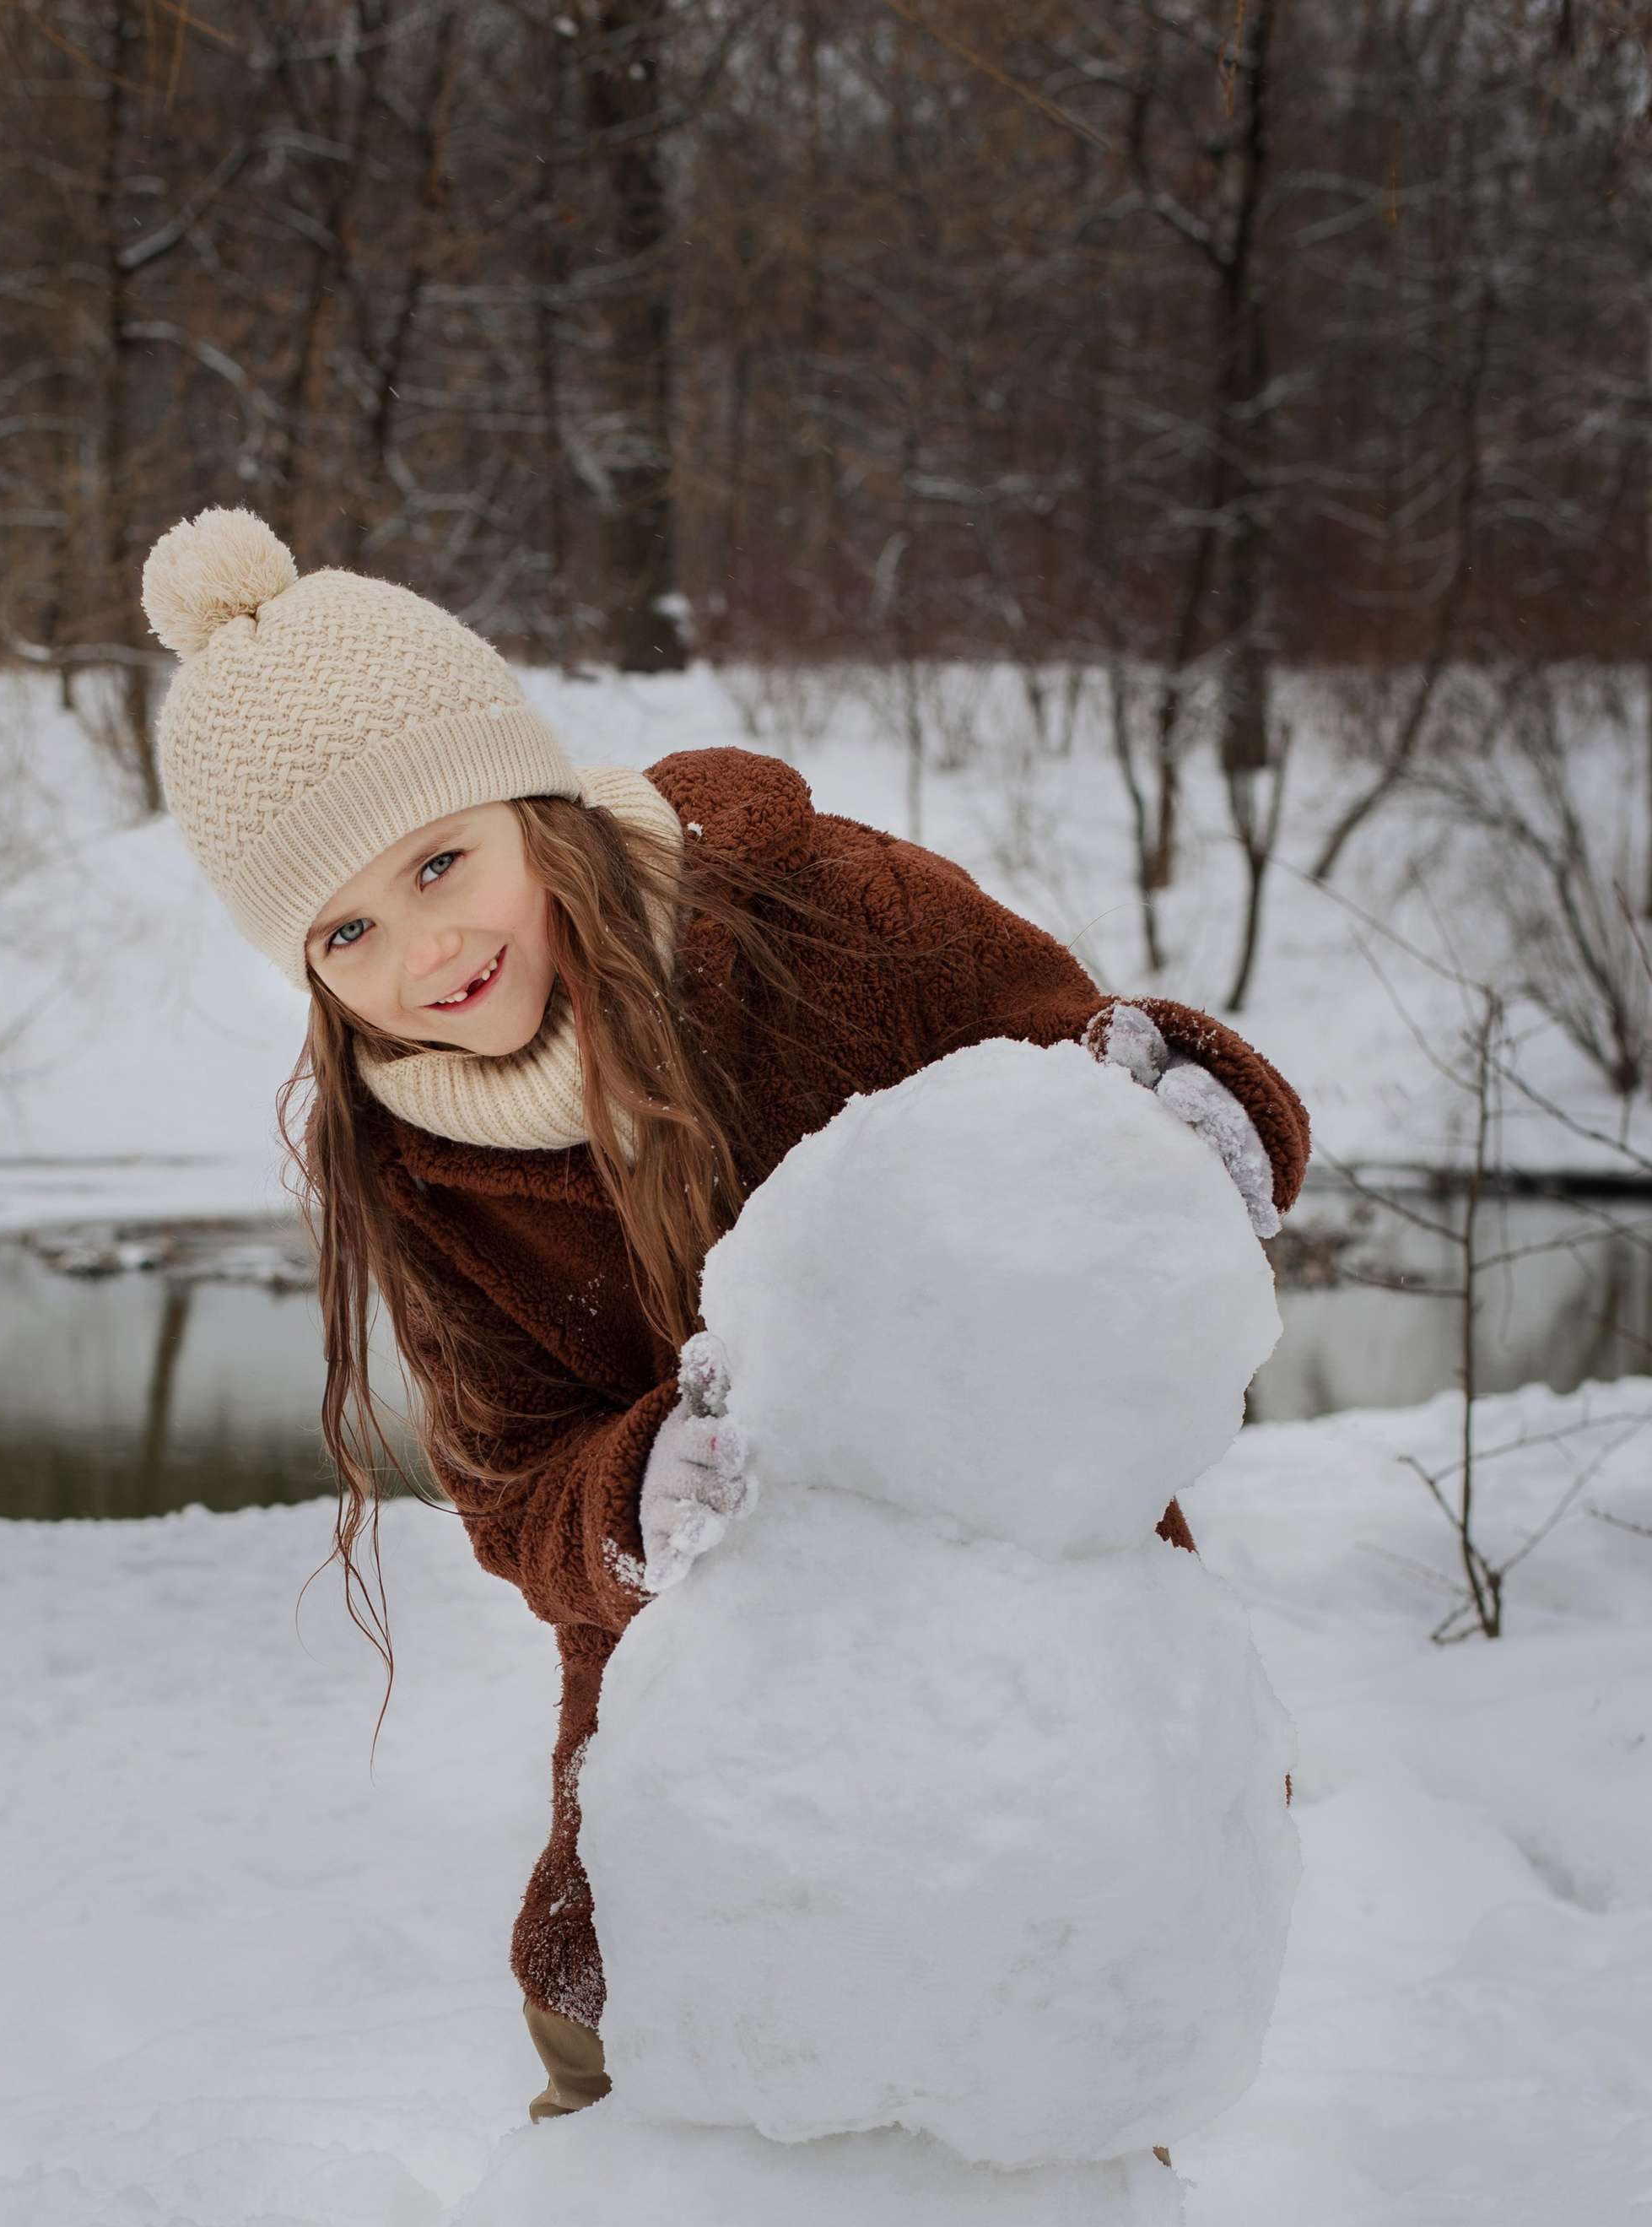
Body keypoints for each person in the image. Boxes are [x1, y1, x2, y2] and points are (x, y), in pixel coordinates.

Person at [142, 506, 1309, 2123]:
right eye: (346, 932)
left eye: (438, 862)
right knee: (659, 2111)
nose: (429, 950)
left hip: (1022, 1676)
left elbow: (1078, 1061)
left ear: (524, 801)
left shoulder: (817, 908)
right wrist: (628, 1494)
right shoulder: (416, 1173)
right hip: (711, 1736)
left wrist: (1197, 1107)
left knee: (1047, 2087)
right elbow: (514, 1483)